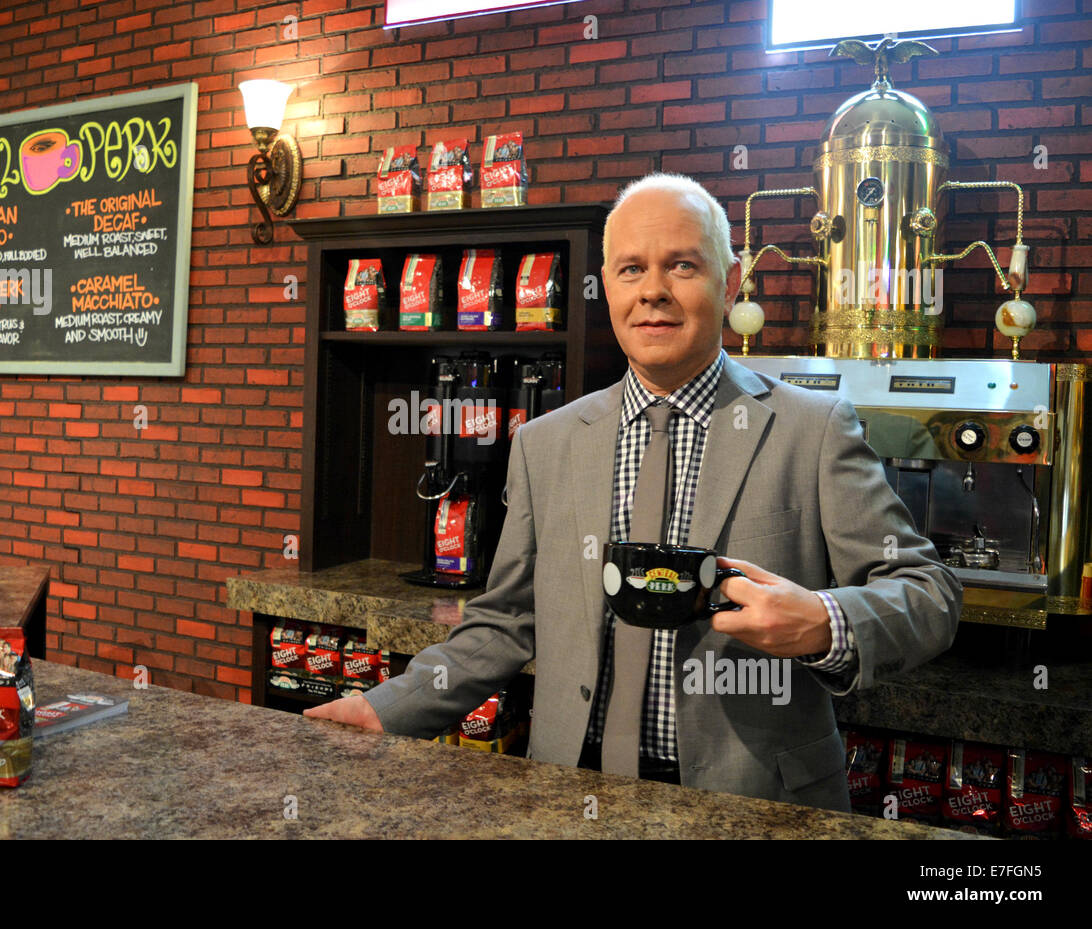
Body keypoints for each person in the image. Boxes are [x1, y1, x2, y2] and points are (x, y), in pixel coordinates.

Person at [306, 173, 962, 812]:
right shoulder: (546, 443)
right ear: (605, 286)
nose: (653, 292)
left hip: (758, 806)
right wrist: (385, 706)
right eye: (630, 269)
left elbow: (929, 591)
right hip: (571, 798)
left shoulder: (812, 429)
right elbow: (505, 620)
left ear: (729, 282)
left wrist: (826, 619)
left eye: (681, 266)